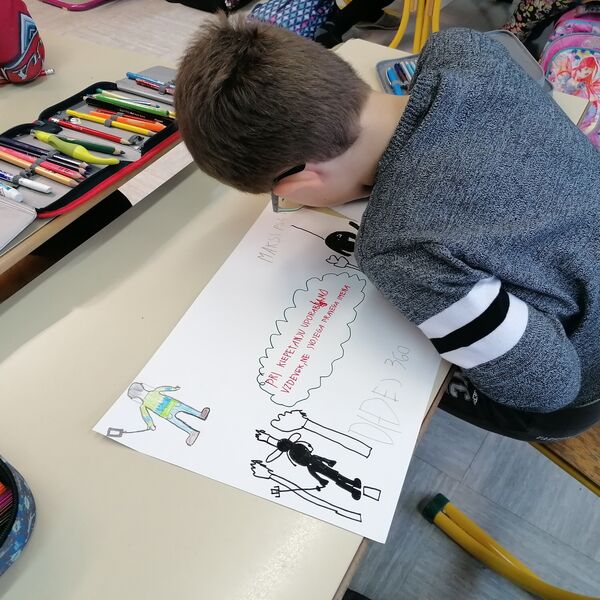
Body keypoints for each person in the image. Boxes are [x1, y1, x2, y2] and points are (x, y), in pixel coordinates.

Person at [174, 17, 600, 441]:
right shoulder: (463, 49)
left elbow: (550, 387)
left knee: (390, 365)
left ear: (299, 184)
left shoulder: (397, 246)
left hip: (578, 383)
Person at [127, 382, 210, 446]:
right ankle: (199, 416)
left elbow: (146, 416)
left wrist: (150, 425)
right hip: (173, 405)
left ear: (135, 397)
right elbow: (164, 388)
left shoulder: (143, 406)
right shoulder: (154, 391)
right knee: (185, 409)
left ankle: (192, 431)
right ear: (142, 386)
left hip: (167, 413)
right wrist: (174, 388)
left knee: (179, 422)